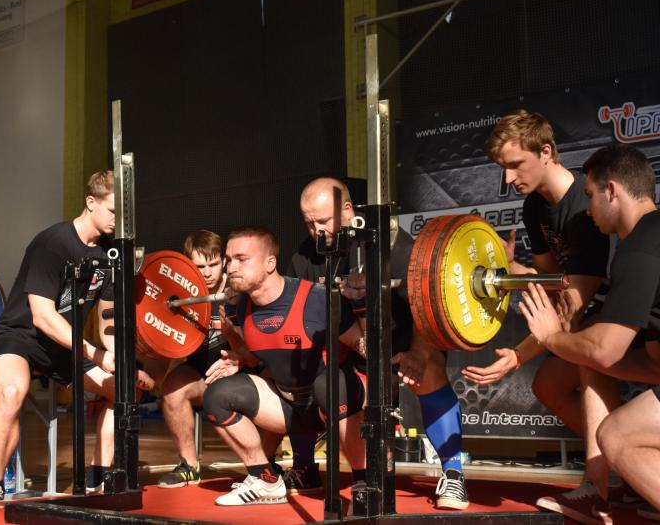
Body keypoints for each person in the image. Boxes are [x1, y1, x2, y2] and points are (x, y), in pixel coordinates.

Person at [461, 109, 628, 516]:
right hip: (587, 316)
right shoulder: (534, 207)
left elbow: (572, 306)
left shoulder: (583, 206)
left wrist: (518, 355)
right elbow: (550, 281)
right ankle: (626, 465)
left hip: (625, 319)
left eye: (515, 164)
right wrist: (511, 271)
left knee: (587, 362)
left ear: (547, 152)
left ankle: (596, 488)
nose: (507, 178)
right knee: (548, 386)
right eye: (503, 167)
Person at [289, 177, 469, 510]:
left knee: (428, 368)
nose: (316, 231)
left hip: (403, 346)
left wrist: (418, 352)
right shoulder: (306, 256)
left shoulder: (393, 244)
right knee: (321, 383)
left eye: (323, 221)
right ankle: (357, 476)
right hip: (353, 351)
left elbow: (426, 305)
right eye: (309, 223)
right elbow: (309, 314)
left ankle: (454, 473)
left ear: (347, 211)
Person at [0, 171, 152, 502]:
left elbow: (106, 316)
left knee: (124, 390)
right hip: (21, 338)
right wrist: (94, 353)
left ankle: (96, 478)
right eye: (113, 211)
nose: (117, 220)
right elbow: (43, 317)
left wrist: (118, 360)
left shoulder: (110, 254)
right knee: (13, 392)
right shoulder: (52, 244)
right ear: (91, 202)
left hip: (64, 348)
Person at [520, 144, 660, 524]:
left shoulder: (640, 248)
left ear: (611, 191)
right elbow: (650, 365)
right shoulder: (649, 237)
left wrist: (551, 337)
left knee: (616, 436)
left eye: (590, 195)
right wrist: (586, 357)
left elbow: (604, 349)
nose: (587, 209)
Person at [201, 225, 367, 506]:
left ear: (270, 263)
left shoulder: (316, 298)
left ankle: (366, 481)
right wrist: (241, 357)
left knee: (329, 385)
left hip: (333, 403)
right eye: (229, 260)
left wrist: (362, 305)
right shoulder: (243, 306)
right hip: (290, 408)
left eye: (241, 259)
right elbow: (265, 352)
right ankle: (266, 479)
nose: (231, 268)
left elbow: (363, 347)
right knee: (217, 395)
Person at [156, 230, 235, 488]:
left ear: (224, 261)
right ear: (188, 265)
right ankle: (189, 466)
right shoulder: (179, 294)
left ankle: (266, 464)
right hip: (202, 373)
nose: (208, 273)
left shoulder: (238, 290)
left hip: (240, 371)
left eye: (214, 264)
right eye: (200, 267)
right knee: (172, 388)